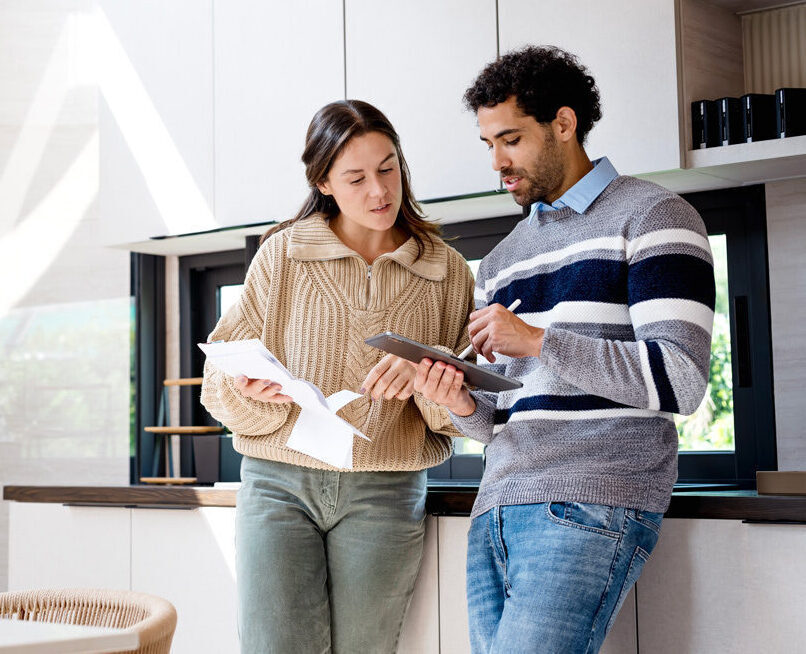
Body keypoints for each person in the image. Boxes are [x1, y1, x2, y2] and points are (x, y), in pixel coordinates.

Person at [413, 46, 716, 653]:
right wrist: (457, 400)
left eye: (511, 139)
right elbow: (501, 419)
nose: (497, 161)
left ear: (563, 123)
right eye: (488, 143)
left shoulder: (654, 216)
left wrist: (536, 340)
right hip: (496, 505)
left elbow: (680, 380)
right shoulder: (501, 260)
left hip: (591, 500)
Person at [200, 99, 475, 653]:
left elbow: (455, 417)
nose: (379, 191)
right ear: (323, 181)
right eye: (356, 177)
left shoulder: (445, 270)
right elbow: (219, 384)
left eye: (388, 168)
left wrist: (429, 384)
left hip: (386, 489)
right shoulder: (282, 255)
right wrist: (251, 391)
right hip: (278, 483)